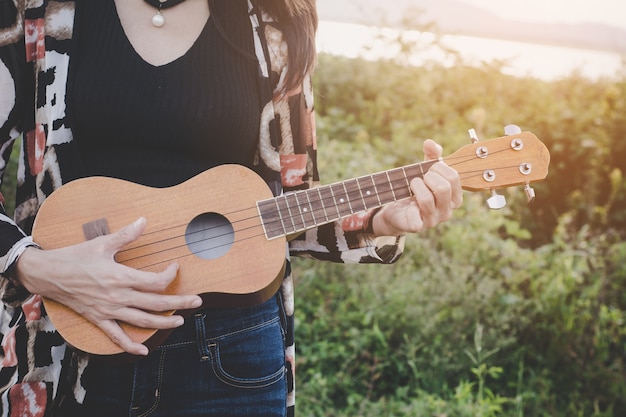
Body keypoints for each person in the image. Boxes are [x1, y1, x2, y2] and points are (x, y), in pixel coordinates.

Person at [0, 0, 462, 416]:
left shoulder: (275, 21)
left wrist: (380, 218)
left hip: (232, 357)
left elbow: (284, 209)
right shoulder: (35, 10)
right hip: (69, 348)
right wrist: (35, 267)